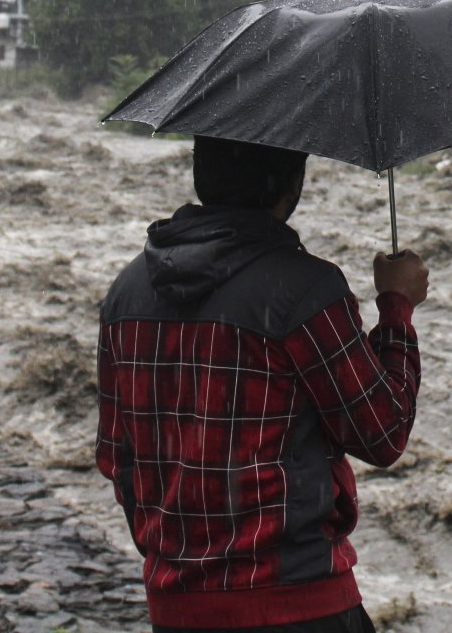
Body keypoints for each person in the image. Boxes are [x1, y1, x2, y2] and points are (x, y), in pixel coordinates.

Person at [98, 137, 428, 632]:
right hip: (300, 605)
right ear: (291, 185)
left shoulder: (126, 293)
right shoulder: (305, 292)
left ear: (201, 176)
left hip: (178, 608)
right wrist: (397, 307)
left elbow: (117, 458)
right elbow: (383, 433)